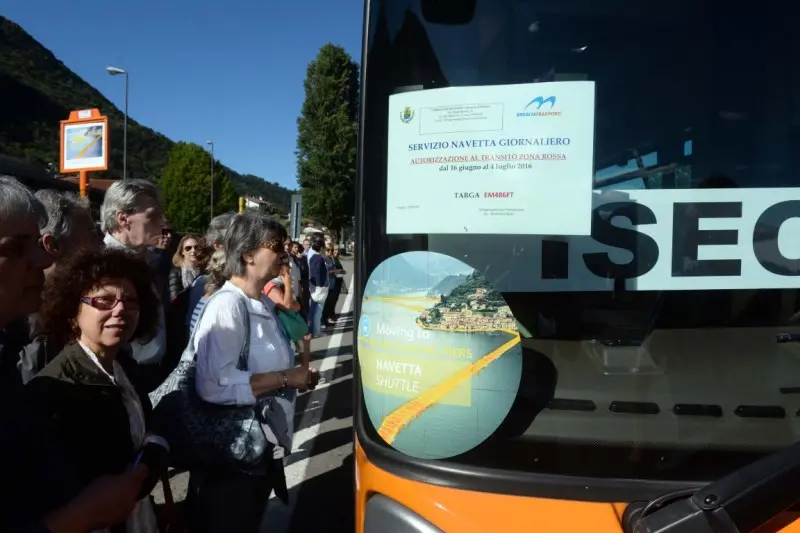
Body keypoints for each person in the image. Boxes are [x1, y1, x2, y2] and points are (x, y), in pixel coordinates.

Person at [0, 176, 149, 533]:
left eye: (129, 302)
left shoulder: (6, 352)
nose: (41, 259)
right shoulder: (47, 371)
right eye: (18, 248)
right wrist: (78, 515)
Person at [186, 213, 319, 533]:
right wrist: (287, 378)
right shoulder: (227, 305)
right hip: (232, 455)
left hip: (258, 443)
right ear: (248, 254)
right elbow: (214, 385)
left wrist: (293, 375)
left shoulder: (260, 303)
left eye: (286, 246)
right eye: (276, 246)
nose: (284, 254)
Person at [27, 248, 165, 532]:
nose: (120, 309)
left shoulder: (124, 367)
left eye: (130, 301)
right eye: (104, 301)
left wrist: (153, 449)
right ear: (72, 313)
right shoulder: (56, 389)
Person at [100, 179, 167, 366]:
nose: (162, 222)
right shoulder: (105, 268)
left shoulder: (143, 260)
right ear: (123, 219)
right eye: (153, 216)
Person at [168, 234, 208, 301]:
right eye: (188, 248)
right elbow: (174, 299)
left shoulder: (204, 271)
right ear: (182, 252)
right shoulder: (175, 273)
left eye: (196, 247)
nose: (193, 251)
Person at [307, 233, 329, 336]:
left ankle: (313, 329)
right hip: (318, 287)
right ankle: (316, 331)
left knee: (314, 309)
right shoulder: (317, 258)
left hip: (314, 285)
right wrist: (321, 285)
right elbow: (317, 273)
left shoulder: (312, 255)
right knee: (317, 310)